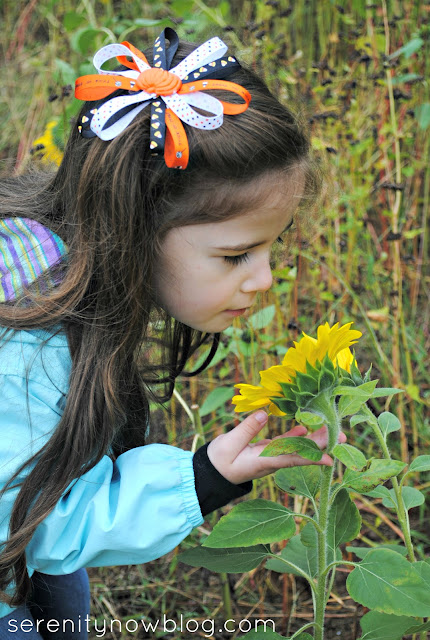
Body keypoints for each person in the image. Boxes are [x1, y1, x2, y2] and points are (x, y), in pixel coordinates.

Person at [0, 27, 344, 639]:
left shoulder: (59, 251)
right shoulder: (26, 347)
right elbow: (37, 526)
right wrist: (207, 475)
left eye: (271, 247)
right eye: (236, 255)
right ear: (134, 224)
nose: (264, 280)